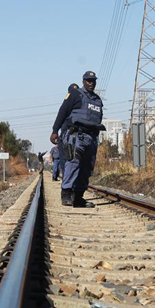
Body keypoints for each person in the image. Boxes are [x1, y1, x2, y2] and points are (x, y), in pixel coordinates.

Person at [50, 71, 105, 207]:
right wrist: (55, 131)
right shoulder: (75, 94)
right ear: (83, 82)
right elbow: (63, 111)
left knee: (87, 167)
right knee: (73, 163)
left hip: (91, 138)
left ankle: (79, 197)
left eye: (93, 81)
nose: (91, 83)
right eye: (88, 81)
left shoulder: (97, 100)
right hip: (77, 135)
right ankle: (66, 193)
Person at [55, 83, 78, 181]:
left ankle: (68, 182)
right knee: (66, 160)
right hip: (67, 136)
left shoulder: (73, 101)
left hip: (74, 137)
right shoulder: (69, 101)